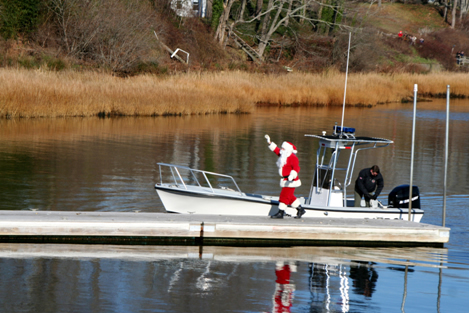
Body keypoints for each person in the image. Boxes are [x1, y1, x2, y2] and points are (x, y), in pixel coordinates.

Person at [265, 134, 305, 219]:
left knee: (284, 196)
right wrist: (269, 142)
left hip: (291, 180)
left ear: (288, 150)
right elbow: (276, 150)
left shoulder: (293, 157)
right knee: (289, 197)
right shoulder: (284, 155)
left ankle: (281, 212)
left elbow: (297, 167)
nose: (281, 150)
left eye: (283, 148)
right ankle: (300, 209)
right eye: (282, 148)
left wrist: (292, 175)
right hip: (286, 180)